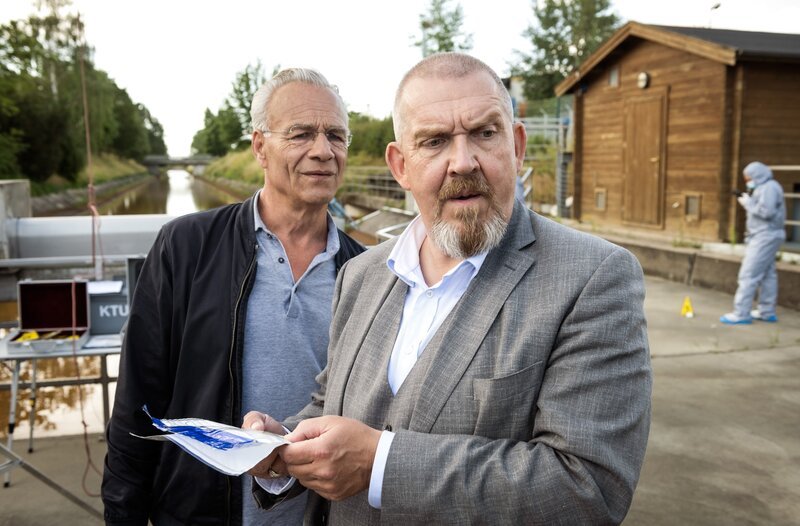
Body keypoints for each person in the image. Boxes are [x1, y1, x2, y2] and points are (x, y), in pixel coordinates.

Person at [245, 53, 652, 525]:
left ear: (516, 146)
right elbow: (330, 402)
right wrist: (285, 443)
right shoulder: (360, 275)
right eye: (435, 141)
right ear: (401, 165)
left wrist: (381, 463)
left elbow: (587, 490)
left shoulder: (593, 278)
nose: (463, 162)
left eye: (484, 133)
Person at [101, 68, 365, 525]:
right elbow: (137, 404)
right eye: (301, 133)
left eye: (336, 136)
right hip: (198, 513)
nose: (323, 151)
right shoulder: (185, 247)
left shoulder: (368, 274)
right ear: (260, 147)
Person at [720, 161, 786, 325]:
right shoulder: (768, 186)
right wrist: (749, 198)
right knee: (768, 274)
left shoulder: (769, 187)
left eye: (749, 178)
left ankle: (741, 313)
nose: (748, 180)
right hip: (767, 235)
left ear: (758, 175)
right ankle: (766, 311)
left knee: (748, 274)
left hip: (765, 236)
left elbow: (766, 212)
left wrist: (747, 202)